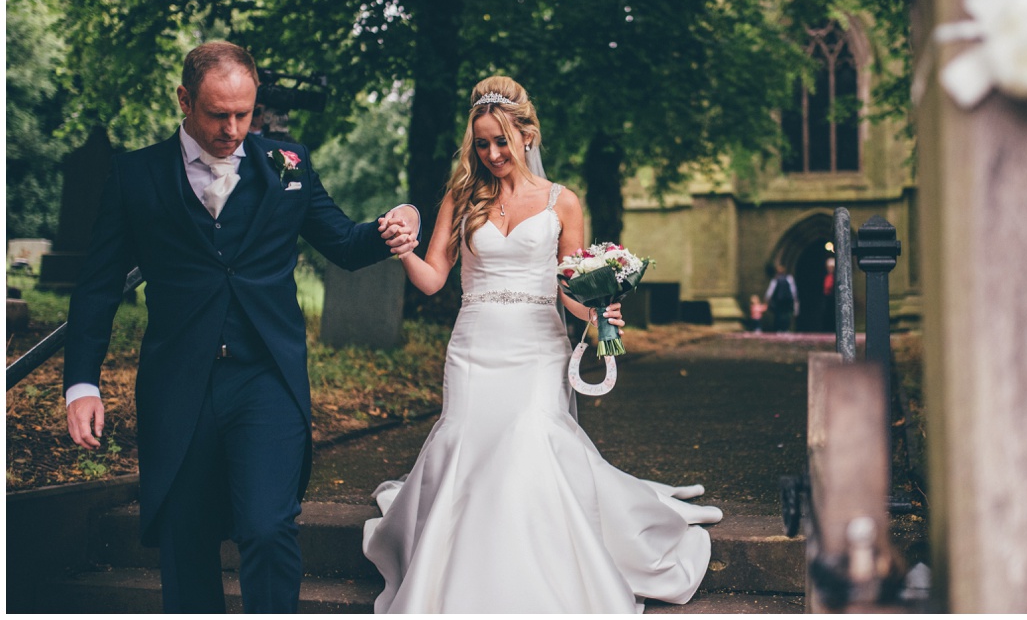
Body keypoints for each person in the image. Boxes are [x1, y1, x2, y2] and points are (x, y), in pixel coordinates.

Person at [63, 41, 420, 613]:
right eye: (217, 114)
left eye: (244, 113)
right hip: (180, 381)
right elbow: (99, 286)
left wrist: (393, 225)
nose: (233, 129)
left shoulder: (288, 163)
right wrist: (81, 382)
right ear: (184, 99)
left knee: (268, 527)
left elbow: (345, 245)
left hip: (265, 379)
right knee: (186, 539)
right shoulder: (136, 174)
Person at [363, 76, 722, 613]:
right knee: (466, 441)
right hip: (473, 345)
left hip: (537, 345)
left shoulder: (563, 202)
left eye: (501, 141)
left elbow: (569, 290)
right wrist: (403, 250)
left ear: (527, 135)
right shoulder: (461, 197)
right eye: (481, 143)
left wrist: (599, 310)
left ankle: (535, 575)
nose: (491, 153)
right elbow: (434, 278)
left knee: (529, 440)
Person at [764, 263, 799, 333]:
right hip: (786, 300)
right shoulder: (789, 278)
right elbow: (793, 290)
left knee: (780, 314)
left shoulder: (776, 279)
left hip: (779, 300)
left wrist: (767, 299)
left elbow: (770, 290)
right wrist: (794, 298)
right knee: (785, 314)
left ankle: (781, 328)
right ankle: (785, 328)